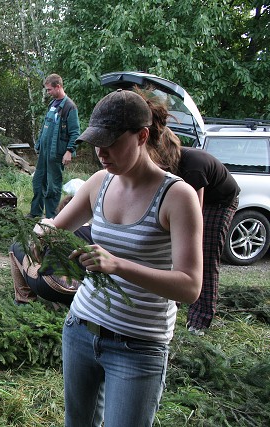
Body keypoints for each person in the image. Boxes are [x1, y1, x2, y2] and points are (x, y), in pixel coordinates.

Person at [36, 89, 203, 426]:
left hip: (139, 347)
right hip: (81, 331)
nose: (101, 152)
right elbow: (55, 228)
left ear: (142, 136)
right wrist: (38, 233)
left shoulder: (177, 196)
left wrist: (117, 265)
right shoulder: (99, 182)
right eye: (96, 142)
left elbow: (189, 287)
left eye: (110, 142)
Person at [147, 110, 240, 335]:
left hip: (219, 203)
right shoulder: (171, 168)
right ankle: (175, 300)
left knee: (204, 255)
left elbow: (194, 217)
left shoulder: (193, 166)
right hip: (203, 200)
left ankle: (200, 319)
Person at [10, 195, 92, 308]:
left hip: (51, 286)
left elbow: (35, 250)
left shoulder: (53, 225)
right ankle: (61, 305)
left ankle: (24, 300)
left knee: (17, 246)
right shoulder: (93, 231)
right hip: (82, 289)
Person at [29, 74, 80, 218]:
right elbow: (44, 127)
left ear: (58, 87)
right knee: (38, 182)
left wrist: (69, 151)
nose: (48, 93)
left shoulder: (69, 107)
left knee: (53, 187)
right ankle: (35, 213)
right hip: (44, 153)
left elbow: (75, 132)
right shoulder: (52, 105)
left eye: (49, 89)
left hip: (56, 153)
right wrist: (39, 144)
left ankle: (51, 217)